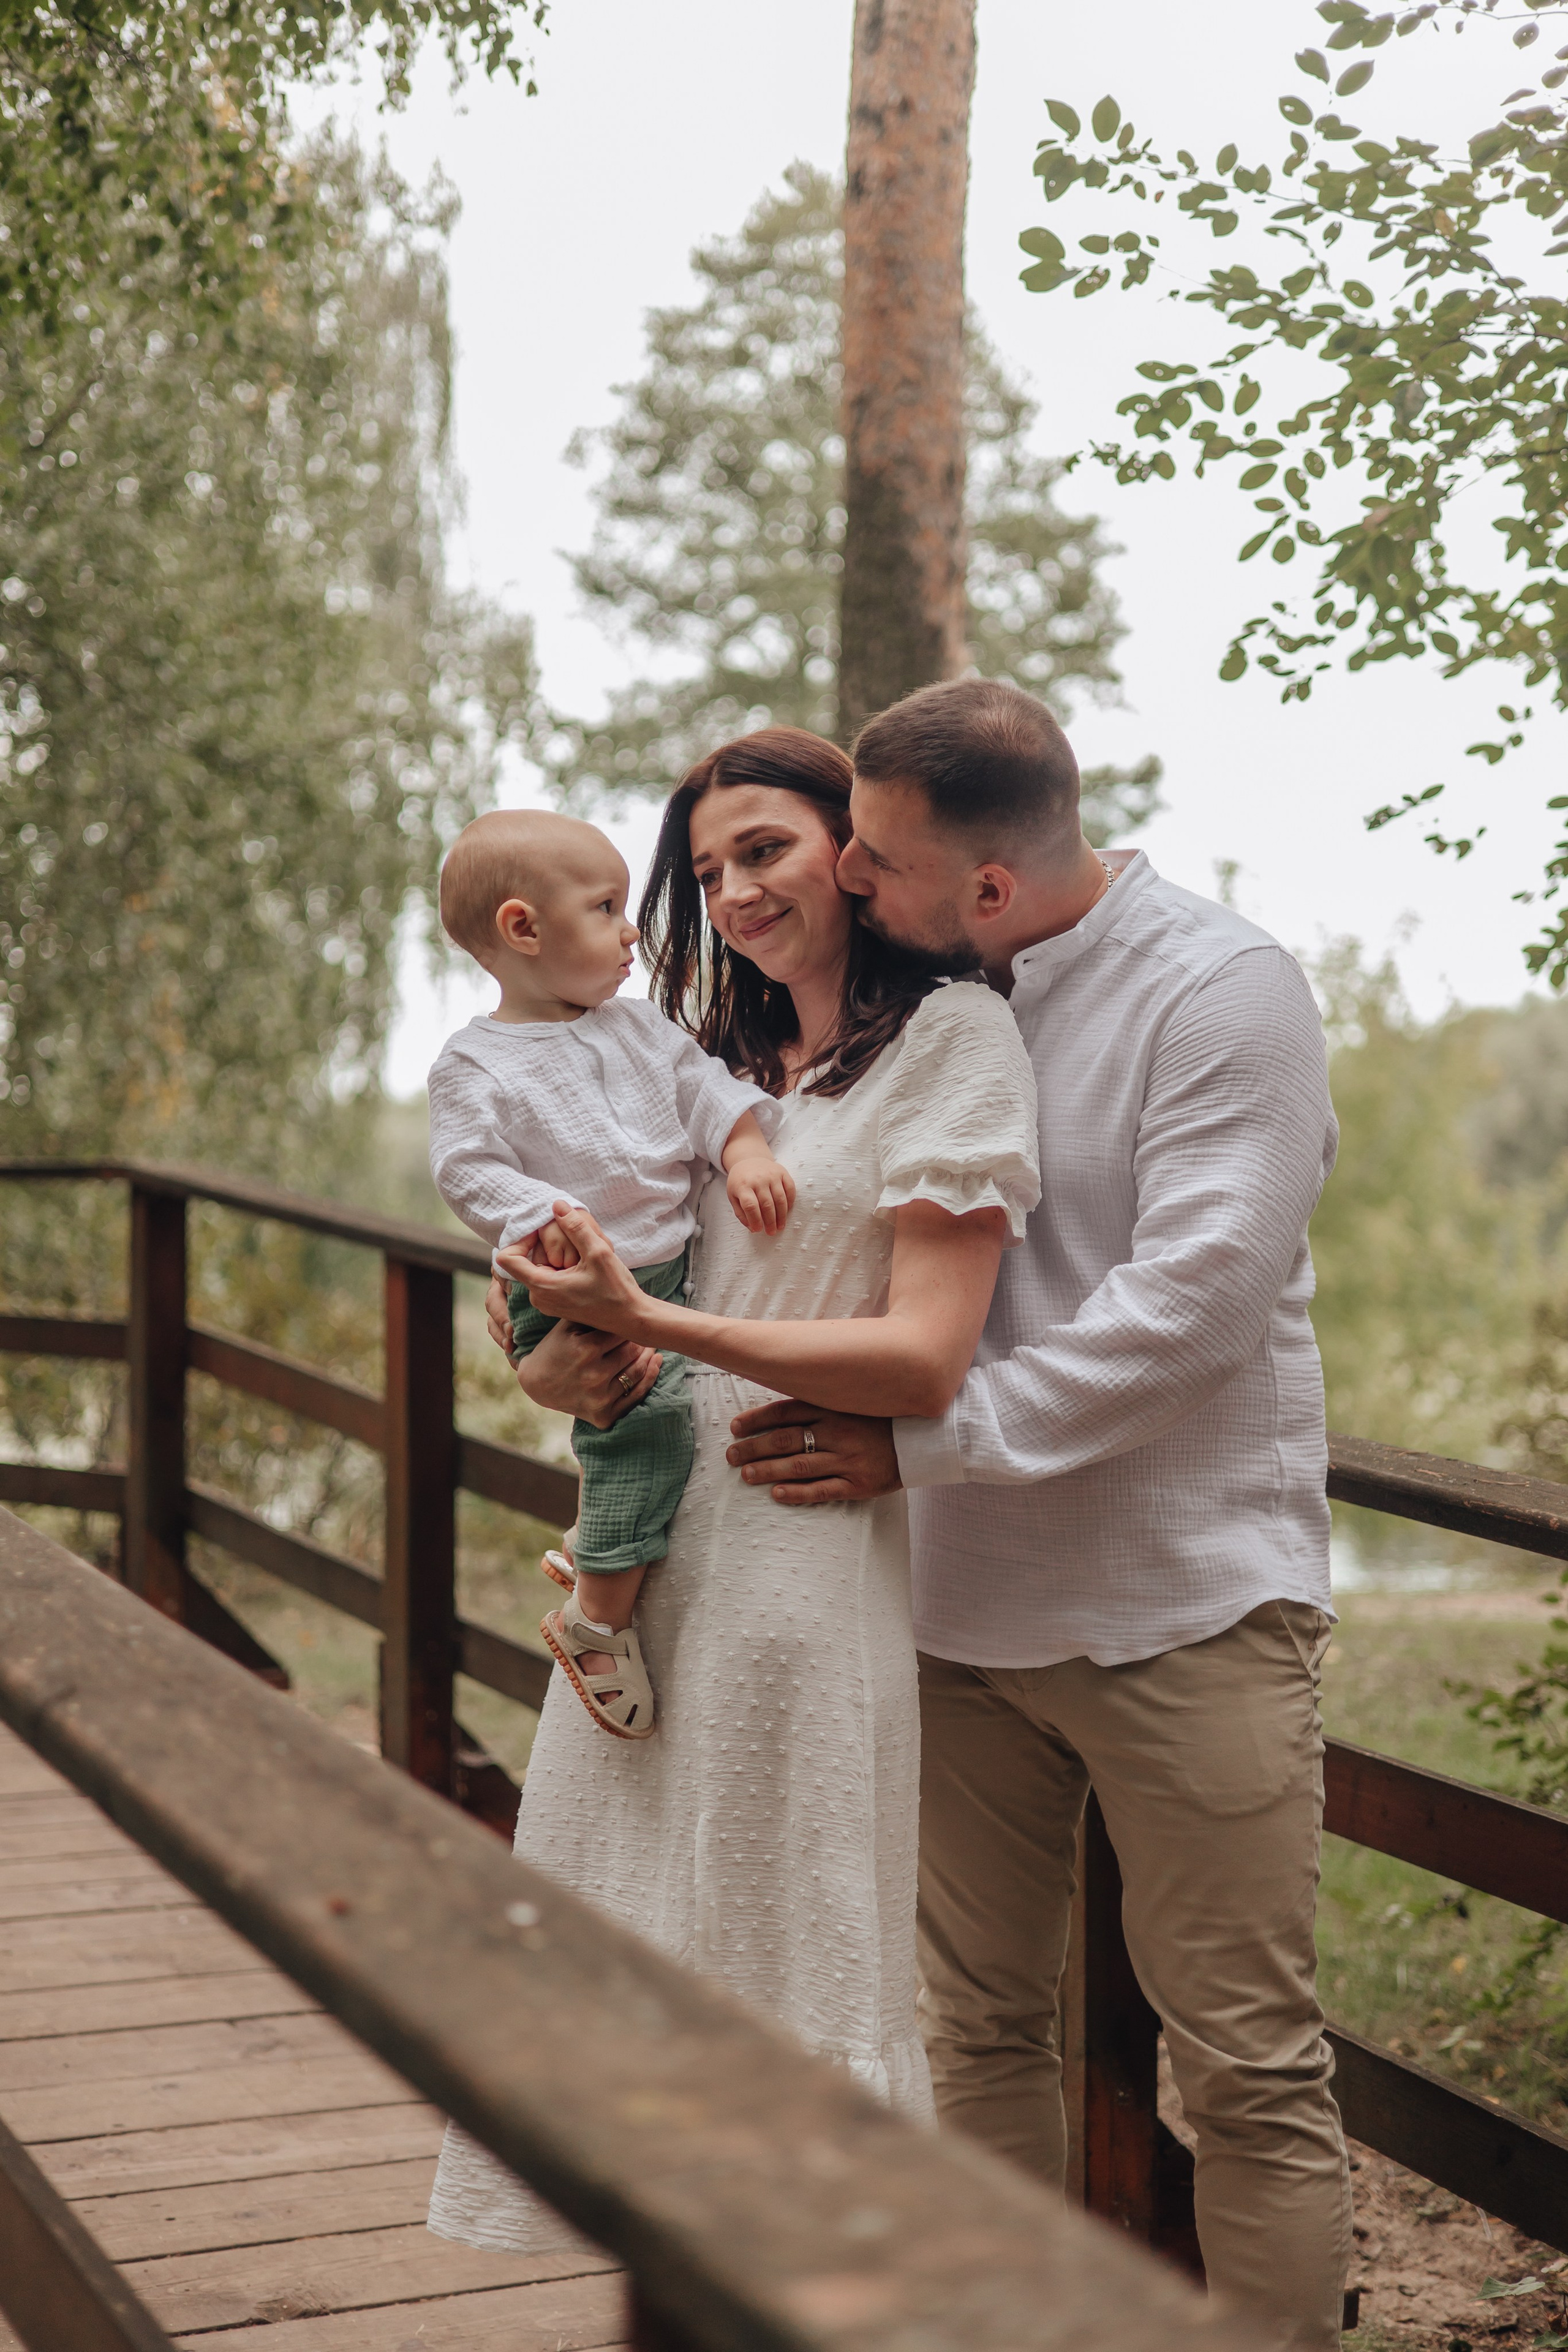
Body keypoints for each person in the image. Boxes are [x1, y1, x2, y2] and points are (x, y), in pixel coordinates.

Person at [724, 678, 1349, 2352]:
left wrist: (924, 1452)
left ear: (988, 886)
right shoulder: (926, 998)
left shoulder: (1223, 993)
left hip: (1188, 1605)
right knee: (975, 2032)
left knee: (1249, 2065)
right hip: (953, 1618)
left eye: (876, 863)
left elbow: (1194, 1307)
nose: (851, 884)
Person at [427, 728, 1039, 2255]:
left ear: (851, 847)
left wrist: (652, 1329)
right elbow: (579, 1263)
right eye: (704, 869)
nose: (733, 890)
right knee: (628, 1924)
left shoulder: (950, 1040)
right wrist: (552, 1360)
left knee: (788, 1937)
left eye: (763, 849)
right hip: (648, 1549)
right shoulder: (689, 1046)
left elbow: (917, 1360)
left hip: (798, 1547)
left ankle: (816, 2296)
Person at [426, 806, 794, 1739]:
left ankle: (602, 1552)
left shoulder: (641, 1031)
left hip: (666, 1278)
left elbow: (710, 1096)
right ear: (523, 929)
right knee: (649, 1421)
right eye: (606, 907)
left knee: (646, 1425)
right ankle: (597, 1621)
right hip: (578, 1282)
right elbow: (468, 1169)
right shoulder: (477, 1063)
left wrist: (745, 1153)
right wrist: (546, 1226)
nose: (634, 930)